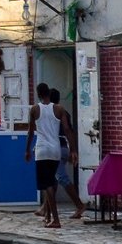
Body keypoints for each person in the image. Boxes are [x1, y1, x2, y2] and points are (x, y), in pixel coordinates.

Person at [25, 85, 73, 228]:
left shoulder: (34, 109)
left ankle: (55, 219)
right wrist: (73, 149)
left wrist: (27, 150)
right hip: (56, 149)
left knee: (47, 185)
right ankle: (47, 216)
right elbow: (67, 129)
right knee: (52, 181)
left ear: (38, 94)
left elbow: (30, 132)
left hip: (42, 150)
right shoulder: (59, 109)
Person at [49, 87, 86, 220]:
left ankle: (79, 205)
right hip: (63, 146)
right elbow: (69, 130)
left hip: (57, 148)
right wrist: (72, 149)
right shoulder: (64, 112)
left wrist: (73, 150)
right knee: (52, 178)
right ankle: (45, 208)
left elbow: (66, 129)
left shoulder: (53, 112)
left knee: (61, 177)